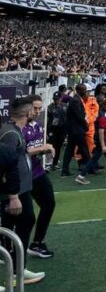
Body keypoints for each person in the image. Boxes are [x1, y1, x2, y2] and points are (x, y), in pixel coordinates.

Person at [0, 96, 46, 285]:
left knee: (23, 222)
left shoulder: (14, 130)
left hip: (20, 190)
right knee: (21, 223)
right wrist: (12, 195)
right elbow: (3, 165)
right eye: (33, 110)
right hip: (14, 193)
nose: (36, 113)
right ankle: (14, 271)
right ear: (27, 113)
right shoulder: (11, 134)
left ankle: (18, 269)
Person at [23, 95, 57, 259]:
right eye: (34, 108)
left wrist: (46, 150)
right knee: (22, 216)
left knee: (49, 203)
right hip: (21, 176)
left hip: (37, 173)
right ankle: (8, 248)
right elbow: (21, 153)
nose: (37, 111)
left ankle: (37, 243)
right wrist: (43, 148)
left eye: (39, 108)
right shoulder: (18, 128)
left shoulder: (37, 126)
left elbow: (34, 151)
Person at [61, 83, 91, 185]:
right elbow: (79, 116)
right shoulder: (76, 100)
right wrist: (85, 126)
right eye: (84, 89)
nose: (86, 91)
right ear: (79, 90)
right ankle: (88, 169)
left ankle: (65, 170)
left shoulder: (76, 99)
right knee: (85, 150)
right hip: (77, 130)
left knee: (70, 149)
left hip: (74, 130)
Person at [46, 90, 67, 170]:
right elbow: (47, 119)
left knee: (58, 146)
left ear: (61, 98)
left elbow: (67, 117)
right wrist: (47, 131)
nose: (56, 100)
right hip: (52, 129)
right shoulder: (50, 107)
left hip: (62, 129)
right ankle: (48, 163)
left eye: (57, 99)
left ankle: (55, 163)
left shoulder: (65, 106)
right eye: (55, 99)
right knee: (51, 145)